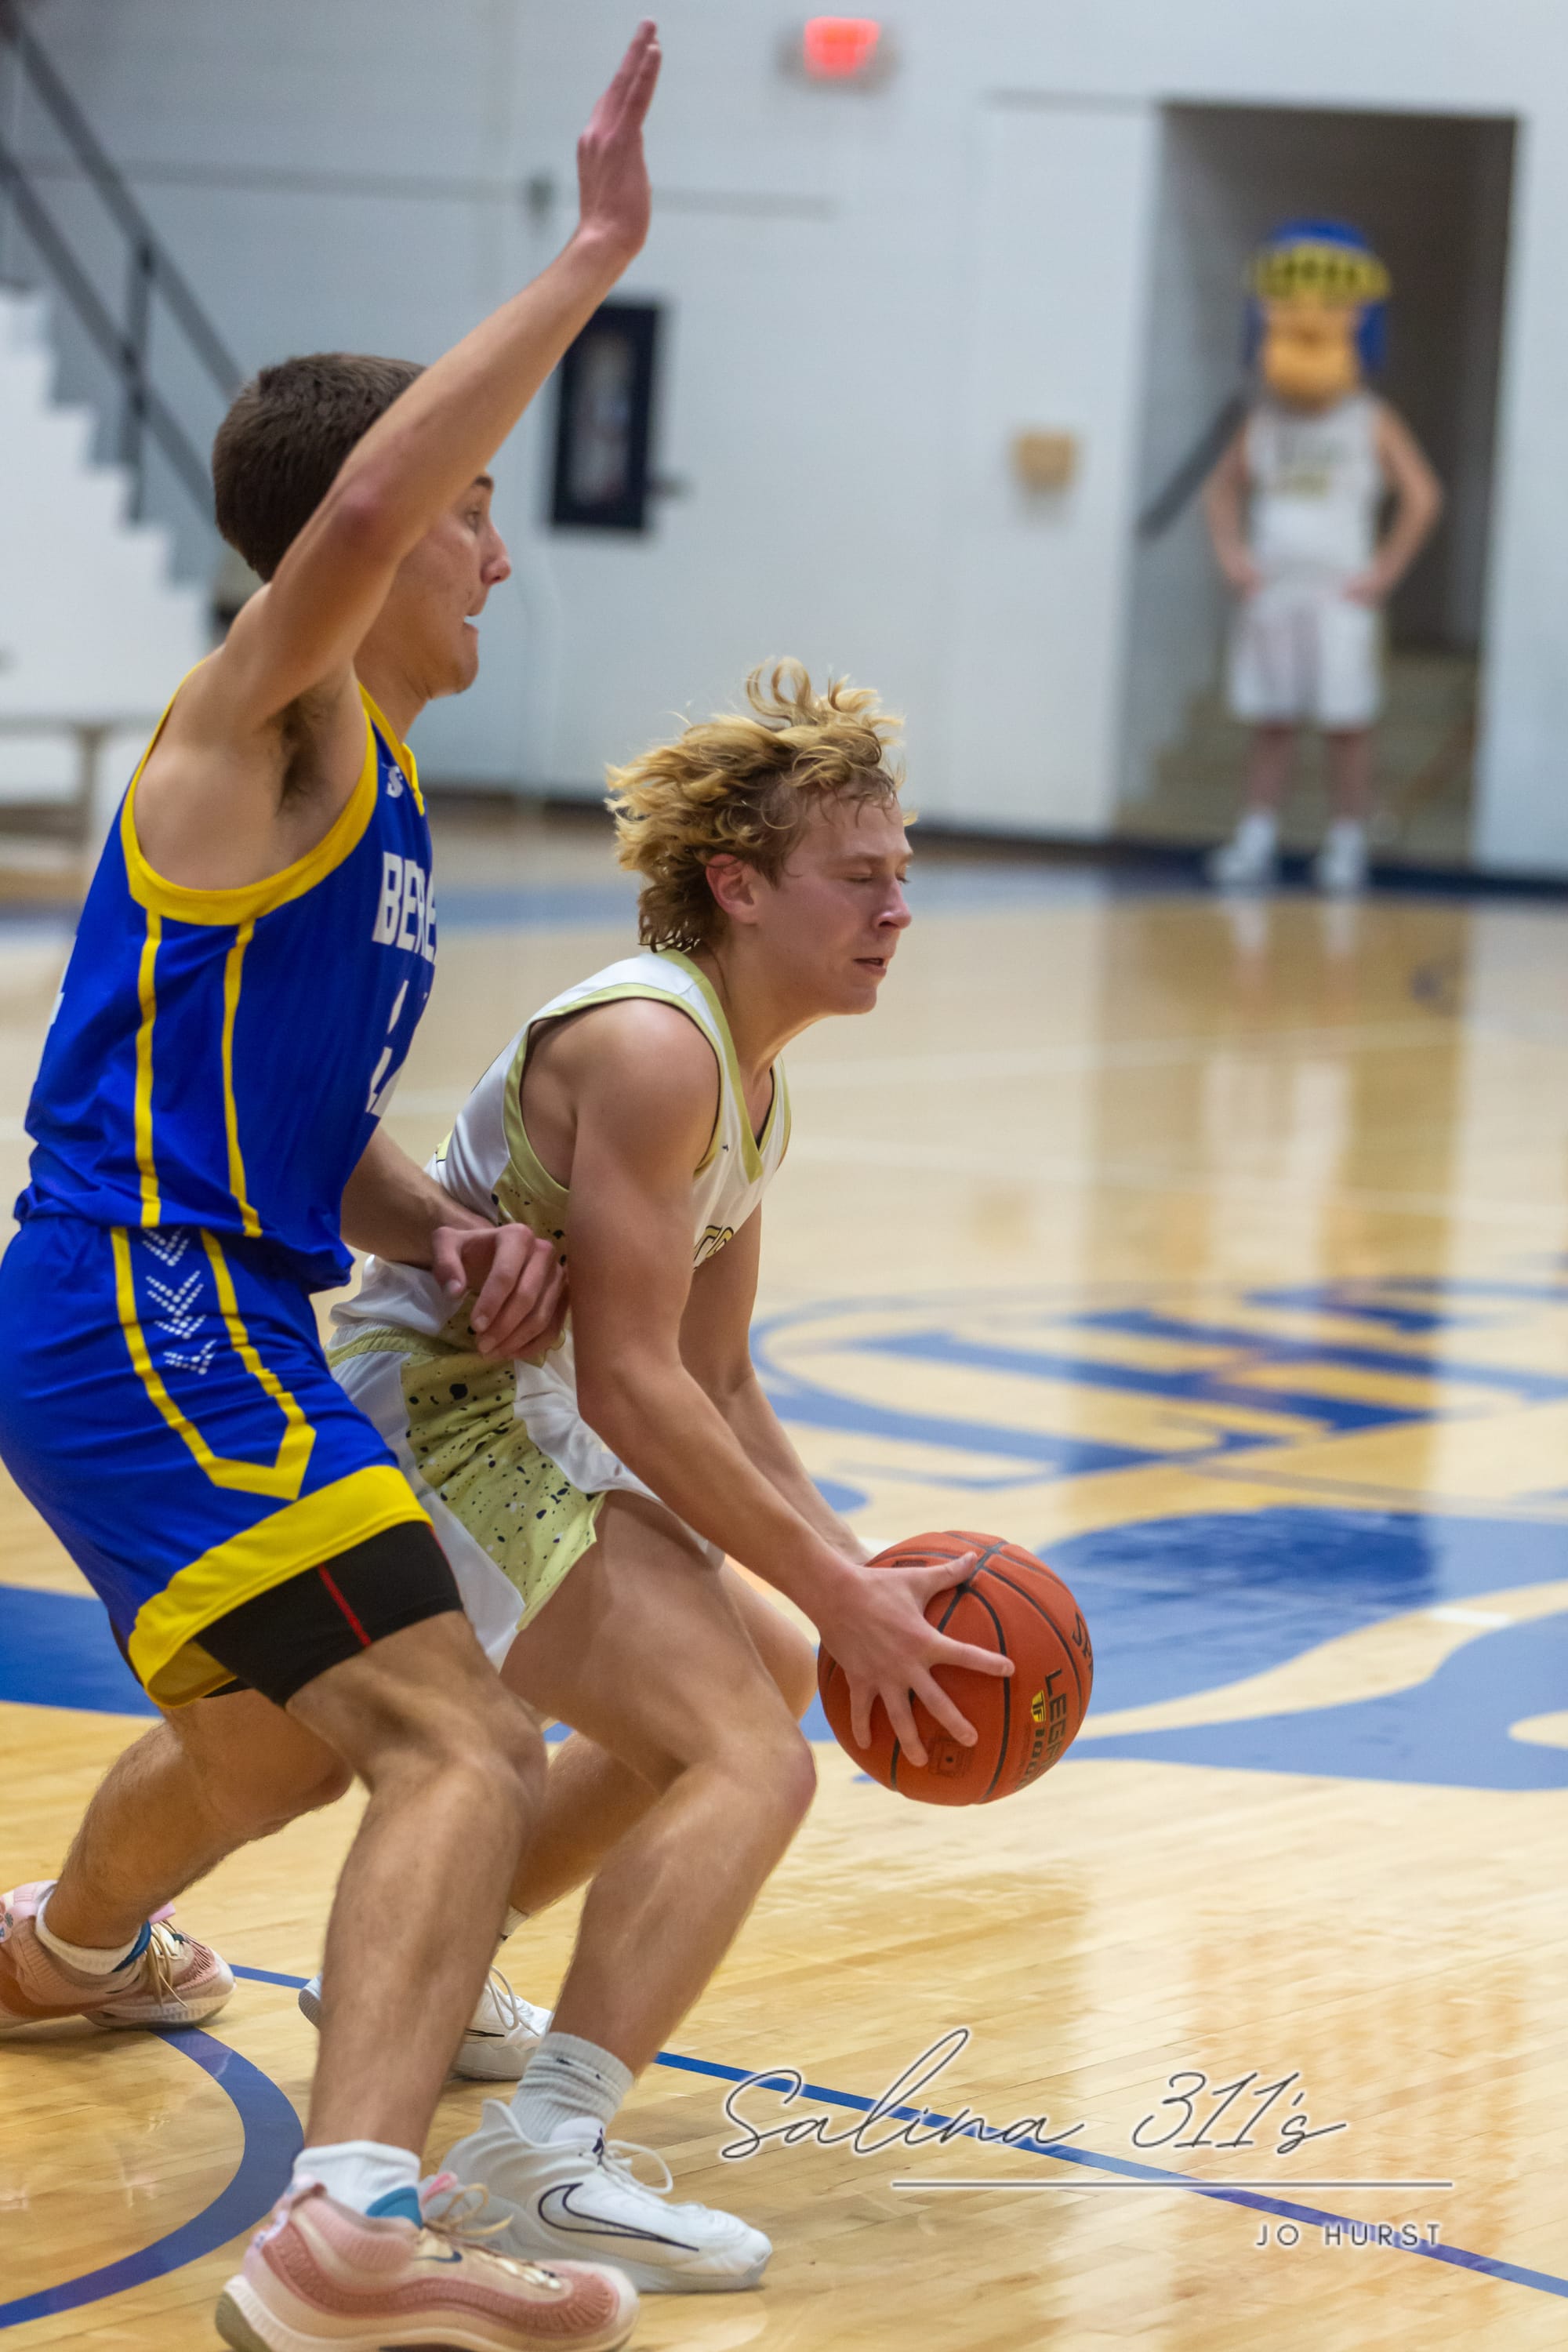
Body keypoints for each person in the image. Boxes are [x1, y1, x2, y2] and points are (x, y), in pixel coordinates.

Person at [0, 27, 668, 2352]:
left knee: (276, 1739)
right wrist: (587, 257)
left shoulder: (366, 791)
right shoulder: (256, 727)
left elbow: (288, 1129)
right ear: (356, 547)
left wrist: (437, 1226)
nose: (492, 547)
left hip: (191, 1295)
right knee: (459, 1736)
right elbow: (370, 504)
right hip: (138, 1301)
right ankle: (349, 2234)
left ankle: (65, 1948)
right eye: (472, 507)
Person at [318, 663, 1014, 2291]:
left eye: (903, 873)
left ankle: (435, 1970)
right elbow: (631, 1386)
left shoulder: (751, 1080)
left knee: (772, 1671)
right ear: (738, 885)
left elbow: (721, 1380)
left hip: (527, 1413)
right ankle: (537, 2155)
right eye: (860, 876)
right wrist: (837, 1590)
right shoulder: (652, 1045)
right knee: (749, 1758)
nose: (897, 909)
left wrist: (853, 1586)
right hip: (445, 1411)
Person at [1204, 220, 1443, 895]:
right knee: (1271, 722)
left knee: (1348, 724)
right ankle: (1256, 837)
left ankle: (1346, 842)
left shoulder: (1370, 417)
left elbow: (1423, 495)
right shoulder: (1263, 418)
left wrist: (1385, 572)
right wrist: (1232, 554)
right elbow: (1219, 491)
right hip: (1274, 586)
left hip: (1341, 590)